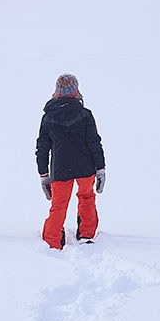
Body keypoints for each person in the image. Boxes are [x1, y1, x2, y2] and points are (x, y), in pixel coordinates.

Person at [35, 72, 106, 249]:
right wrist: (100, 168)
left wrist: (43, 174)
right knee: (87, 197)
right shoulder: (85, 114)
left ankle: (52, 240)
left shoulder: (48, 117)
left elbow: (42, 148)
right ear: (76, 91)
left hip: (61, 169)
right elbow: (94, 142)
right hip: (85, 167)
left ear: (56, 91)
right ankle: (87, 234)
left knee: (58, 205)